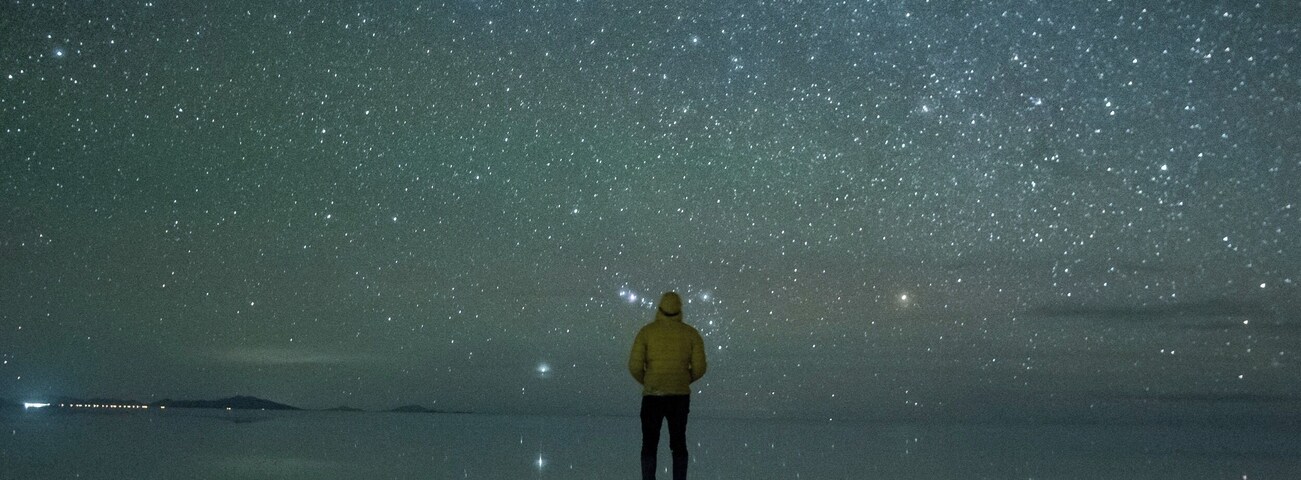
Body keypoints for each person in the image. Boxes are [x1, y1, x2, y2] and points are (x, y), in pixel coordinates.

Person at [628, 291, 707, 480]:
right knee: (678, 443)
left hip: (652, 396)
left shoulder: (646, 332)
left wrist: (649, 381)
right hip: (679, 397)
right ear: (680, 309)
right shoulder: (691, 334)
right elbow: (700, 367)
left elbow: (634, 366)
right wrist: (683, 379)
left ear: (659, 309)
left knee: (649, 443)